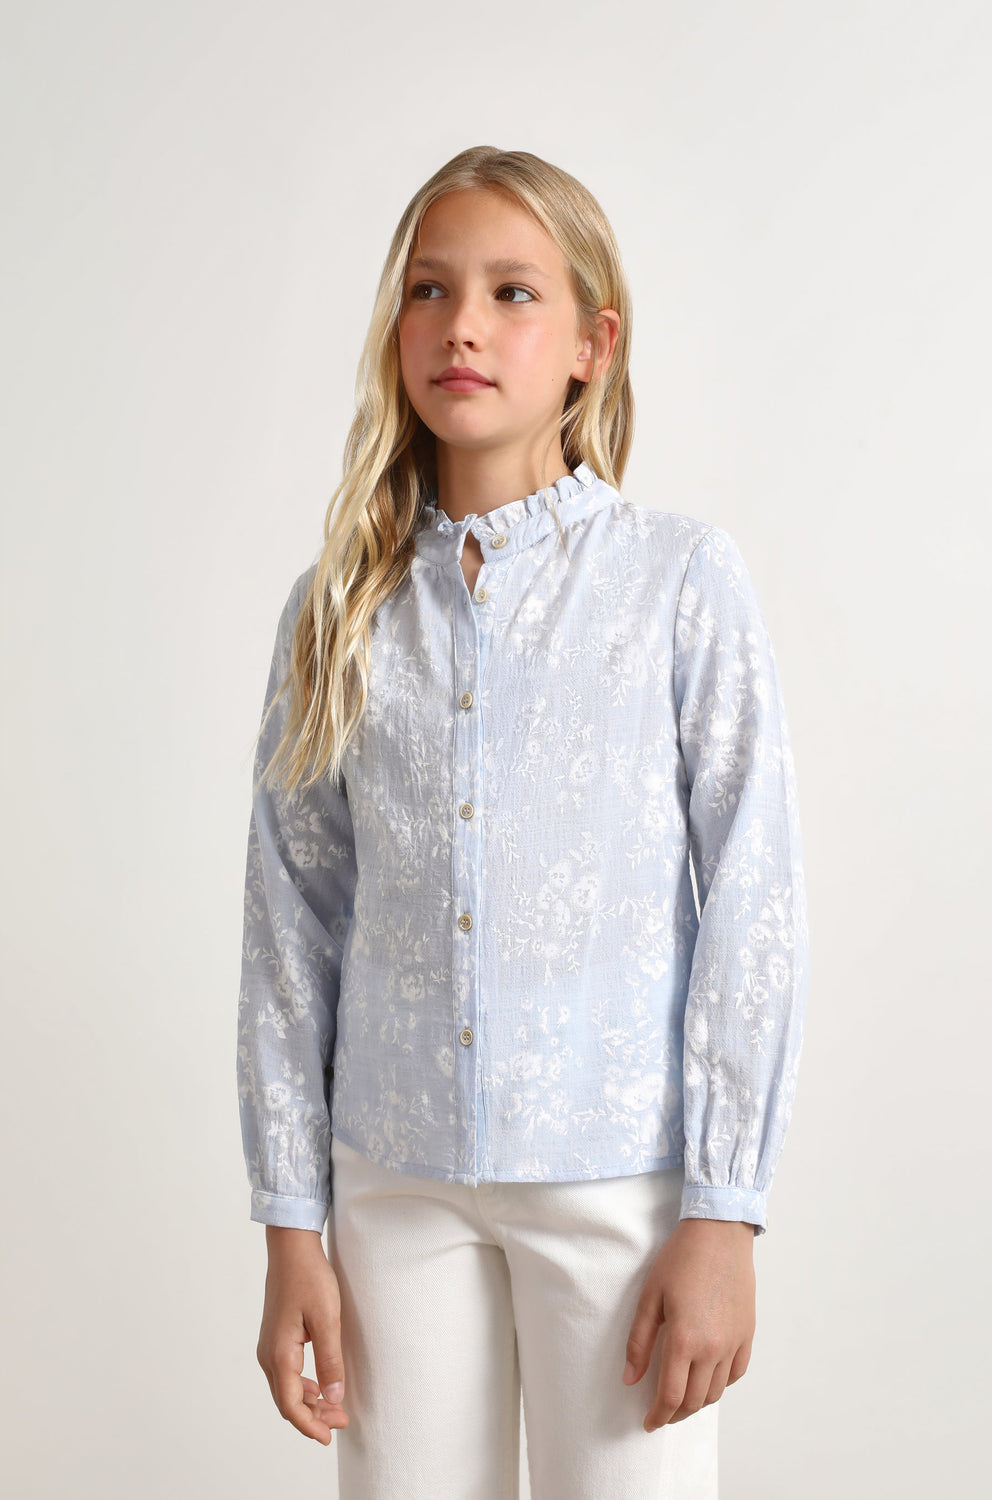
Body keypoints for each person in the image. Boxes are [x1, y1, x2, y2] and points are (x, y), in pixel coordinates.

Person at [236, 145, 809, 1499]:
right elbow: (289, 925)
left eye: (512, 292)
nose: (463, 328)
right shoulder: (338, 609)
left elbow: (754, 895)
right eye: (430, 291)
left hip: (620, 1187)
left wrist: (725, 1210)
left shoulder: (678, 583)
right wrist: (291, 1224)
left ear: (593, 347)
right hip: (391, 1186)